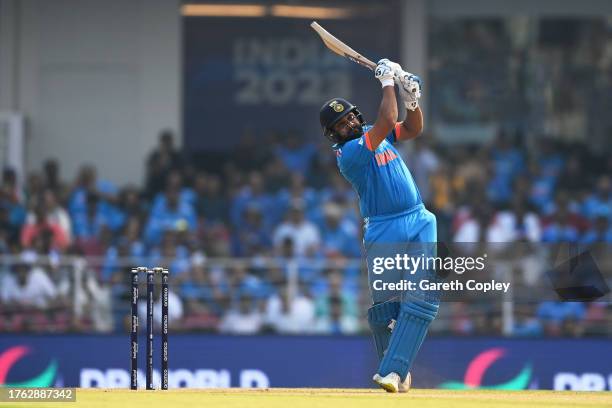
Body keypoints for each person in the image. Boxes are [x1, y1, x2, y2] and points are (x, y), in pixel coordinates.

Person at [319, 59, 440, 392]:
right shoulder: (351, 153)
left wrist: (412, 98)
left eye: (352, 116)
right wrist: (388, 81)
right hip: (383, 228)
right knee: (386, 310)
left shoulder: (376, 136)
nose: (351, 122)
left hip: (418, 219)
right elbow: (388, 118)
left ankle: (392, 370)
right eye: (343, 123)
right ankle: (396, 369)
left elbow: (412, 129)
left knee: (423, 296)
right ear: (334, 135)